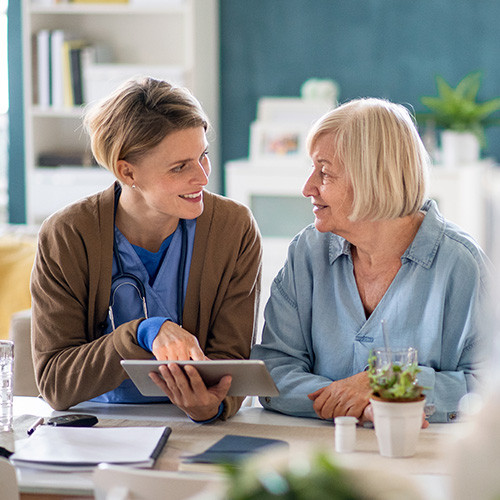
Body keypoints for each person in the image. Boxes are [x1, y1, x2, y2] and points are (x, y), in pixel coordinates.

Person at [31, 77, 262, 422]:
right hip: (95, 428)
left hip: (193, 427)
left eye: (203, 157)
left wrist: (213, 405)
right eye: (180, 166)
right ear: (127, 171)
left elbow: (231, 363)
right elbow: (55, 381)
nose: (202, 177)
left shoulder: (233, 229)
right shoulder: (67, 235)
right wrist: (143, 332)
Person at [251, 97, 490, 424]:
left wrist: (388, 383)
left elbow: (488, 386)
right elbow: (274, 370)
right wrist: (361, 403)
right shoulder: (307, 253)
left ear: (372, 179)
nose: (308, 188)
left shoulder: (462, 265)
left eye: (325, 172)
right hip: (318, 449)